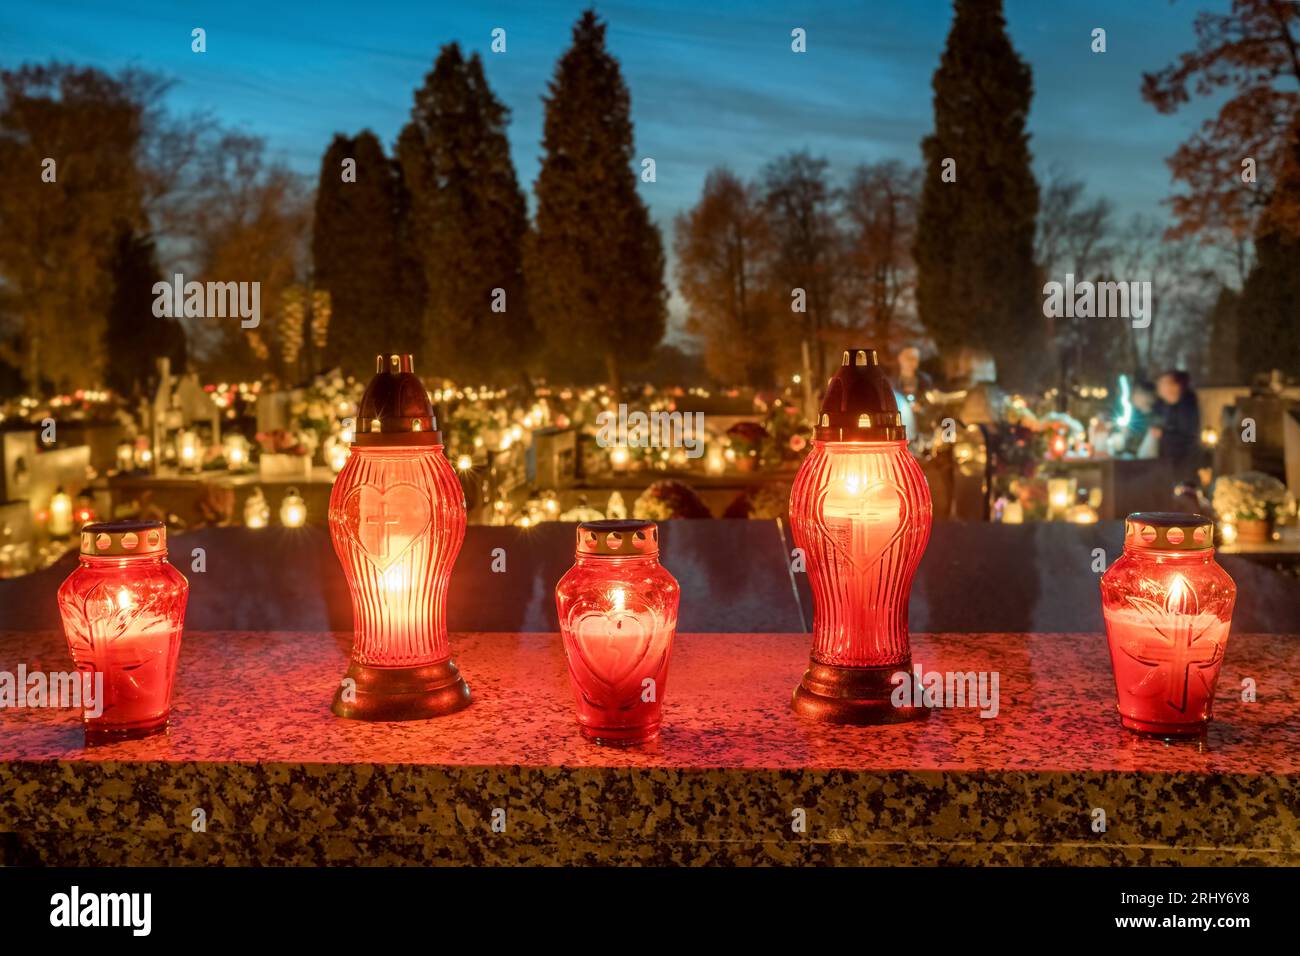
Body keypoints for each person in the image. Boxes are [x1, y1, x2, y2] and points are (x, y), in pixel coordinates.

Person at [1151, 370, 1201, 477]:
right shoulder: (1162, 406)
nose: (1159, 386)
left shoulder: (1187, 406)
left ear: (1176, 386)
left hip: (1183, 465)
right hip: (1166, 463)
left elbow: (1188, 436)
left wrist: (1163, 434)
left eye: (1164, 383)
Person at [1124, 379, 1157, 457]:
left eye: (1137, 393)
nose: (1133, 396)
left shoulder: (1154, 419)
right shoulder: (1137, 414)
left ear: (1147, 396)